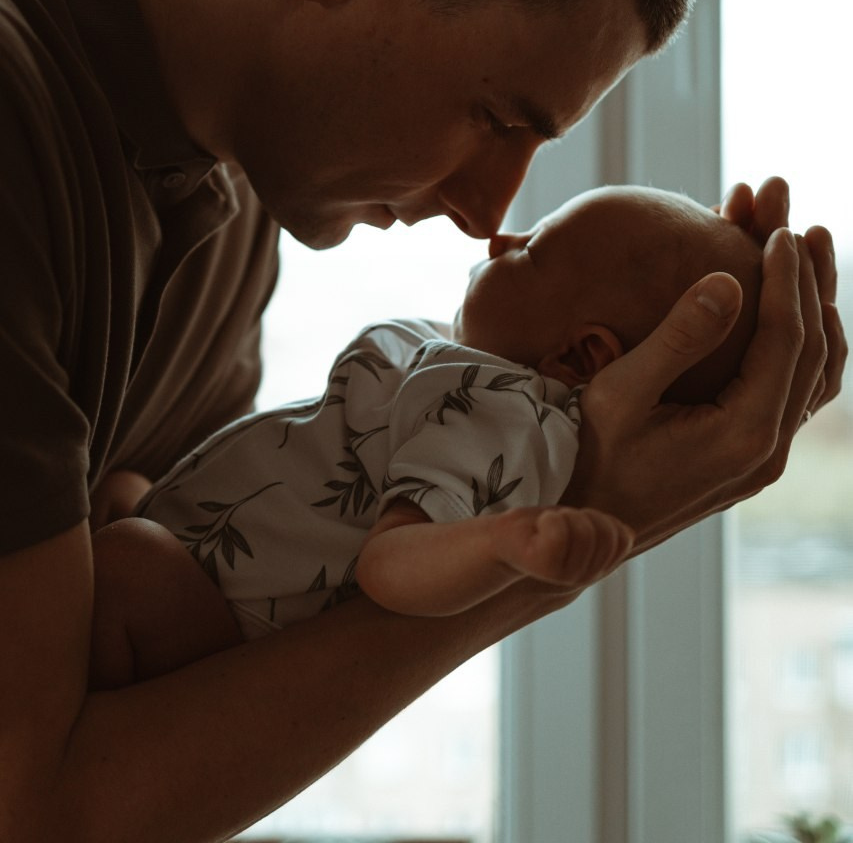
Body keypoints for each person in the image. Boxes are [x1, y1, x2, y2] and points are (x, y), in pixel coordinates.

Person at [0, 0, 842, 843]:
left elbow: (148, 695)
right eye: (494, 116)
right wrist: (568, 527)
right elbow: (38, 802)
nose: (484, 211)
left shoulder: (235, 206)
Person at [89, 185, 764, 689]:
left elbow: (392, 567)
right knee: (122, 500)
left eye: (531, 251)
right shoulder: (468, 375)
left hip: (214, 612)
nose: (502, 239)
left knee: (125, 565)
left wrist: (501, 546)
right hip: (199, 549)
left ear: (580, 357)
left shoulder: (496, 414)